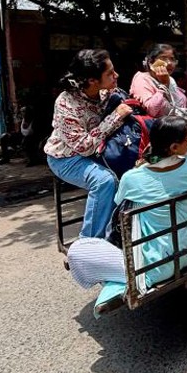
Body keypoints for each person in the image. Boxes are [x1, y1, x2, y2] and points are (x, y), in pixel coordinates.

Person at [66, 116, 187, 316]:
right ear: (173, 148)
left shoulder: (133, 178)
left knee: (78, 250)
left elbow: (118, 201)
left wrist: (141, 166)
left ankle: (116, 271)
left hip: (160, 264)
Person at [45, 49, 133, 239]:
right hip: (67, 158)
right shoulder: (66, 103)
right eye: (110, 73)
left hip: (98, 151)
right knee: (105, 181)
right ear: (92, 80)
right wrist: (115, 117)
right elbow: (83, 147)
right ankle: (89, 246)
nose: (116, 76)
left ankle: (118, 233)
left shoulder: (107, 92)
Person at [129, 43, 187, 118]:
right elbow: (151, 110)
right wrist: (163, 85)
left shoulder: (171, 80)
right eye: (163, 58)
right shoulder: (142, 79)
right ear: (151, 62)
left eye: (172, 59)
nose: (169, 63)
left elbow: (184, 106)